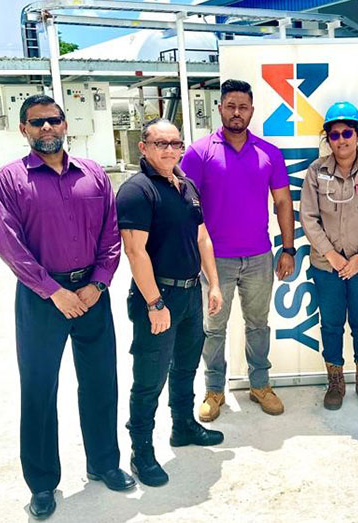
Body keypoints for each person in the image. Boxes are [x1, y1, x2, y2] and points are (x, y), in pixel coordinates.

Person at [0, 94, 134, 520]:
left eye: (53, 121)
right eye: (37, 123)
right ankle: (42, 484)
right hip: (40, 300)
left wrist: (98, 284)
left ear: (66, 124)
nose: (46, 129)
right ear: (24, 130)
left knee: (100, 382)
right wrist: (53, 291)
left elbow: (111, 234)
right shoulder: (9, 180)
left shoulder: (93, 175)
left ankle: (105, 462)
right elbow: (8, 244)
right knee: (38, 390)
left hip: (91, 295)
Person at [116, 118, 225, 487]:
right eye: (159, 143)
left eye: (175, 143)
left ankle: (184, 426)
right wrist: (154, 303)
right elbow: (134, 251)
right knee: (149, 379)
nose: (168, 150)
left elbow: (202, 237)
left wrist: (213, 285)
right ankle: (142, 452)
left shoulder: (187, 186)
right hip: (158, 298)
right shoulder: (137, 191)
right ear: (143, 148)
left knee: (184, 368)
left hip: (191, 294)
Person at [181, 79, 296, 422]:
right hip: (216, 261)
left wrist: (287, 248)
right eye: (230, 106)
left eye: (243, 107)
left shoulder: (268, 153)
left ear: (251, 111)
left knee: (258, 324)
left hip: (260, 256)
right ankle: (215, 390)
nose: (236, 113)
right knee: (213, 328)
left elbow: (283, 203)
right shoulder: (199, 153)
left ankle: (260, 384)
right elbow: (187, 207)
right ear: (219, 108)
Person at [299, 101, 358, 410]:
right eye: (335, 134)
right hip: (327, 267)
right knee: (331, 324)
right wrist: (332, 255)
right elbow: (308, 217)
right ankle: (335, 381)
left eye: (347, 133)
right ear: (329, 138)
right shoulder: (316, 171)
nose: (341, 140)